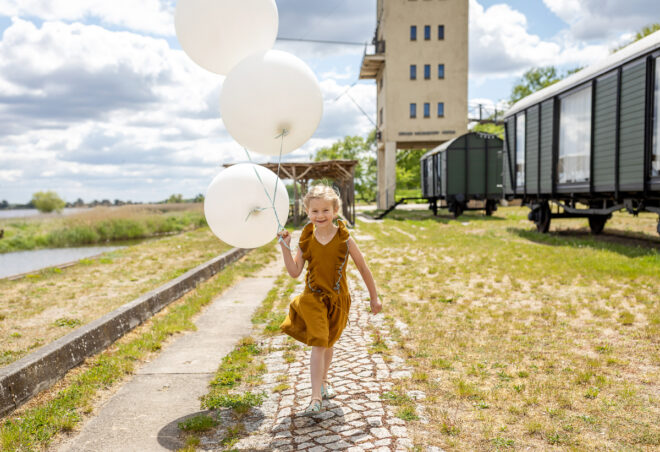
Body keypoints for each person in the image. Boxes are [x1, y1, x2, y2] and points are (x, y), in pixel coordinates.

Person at [277, 185, 382, 416]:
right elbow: (294, 271)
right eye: (315, 211)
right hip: (312, 298)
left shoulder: (345, 239)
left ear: (335, 211)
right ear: (307, 211)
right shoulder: (307, 240)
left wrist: (374, 297)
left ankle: (324, 382)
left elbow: (363, 268)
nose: (320, 215)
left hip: (338, 300)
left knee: (329, 342)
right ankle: (315, 397)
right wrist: (285, 247)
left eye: (325, 210)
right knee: (319, 343)